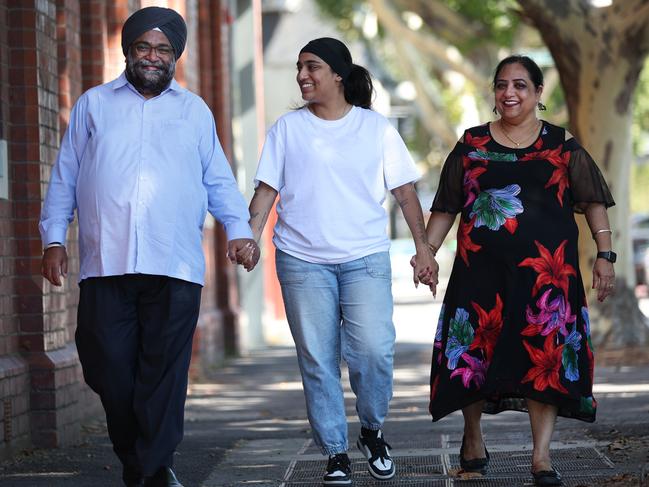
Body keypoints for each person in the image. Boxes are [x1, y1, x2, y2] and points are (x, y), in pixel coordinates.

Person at [39, 7, 258, 487]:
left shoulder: (194, 110)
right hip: (105, 262)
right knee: (107, 366)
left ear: (175, 56)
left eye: (163, 49)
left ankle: (152, 470)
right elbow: (65, 177)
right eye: (143, 47)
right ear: (128, 50)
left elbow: (217, 179)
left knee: (162, 375)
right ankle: (140, 458)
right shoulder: (93, 105)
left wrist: (239, 230)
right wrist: (53, 237)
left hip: (174, 263)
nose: (152, 57)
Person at [416, 55, 615, 487]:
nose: (510, 93)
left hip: (548, 278)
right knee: (472, 356)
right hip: (479, 273)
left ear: (539, 93)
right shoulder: (470, 145)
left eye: (521, 85)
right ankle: (473, 439)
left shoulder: (562, 145)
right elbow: (446, 206)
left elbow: (593, 201)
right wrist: (427, 252)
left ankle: (541, 457)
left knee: (543, 362)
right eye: (502, 85)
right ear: (494, 92)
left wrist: (606, 253)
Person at [244, 37, 435, 485]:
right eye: (299, 67)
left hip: (364, 258)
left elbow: (405, 193)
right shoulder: (287, 129)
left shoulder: (375, 129)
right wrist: (248, 237)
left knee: (373, 352)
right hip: (301, 261)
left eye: (312, 67)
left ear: (338, 75)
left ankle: (371, 429)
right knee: (318, 360)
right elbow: (266, 191)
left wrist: (423, 249)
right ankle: (335, 452)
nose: (302, 76)